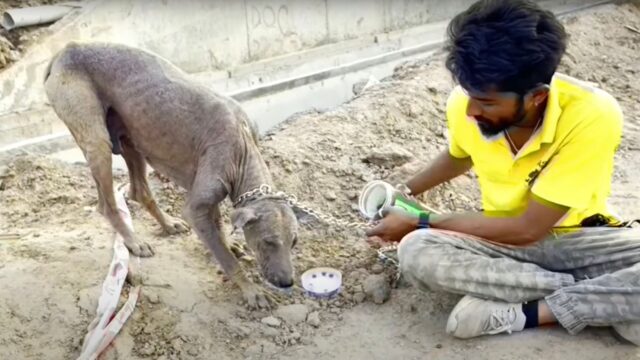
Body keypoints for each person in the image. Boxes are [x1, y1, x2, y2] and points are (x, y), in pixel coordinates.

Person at [365, 0, 640, 344]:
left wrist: (421, 220)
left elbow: (529, 230)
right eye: (468, 95)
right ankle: (608, 300)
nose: (470, 111)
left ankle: (530, 312)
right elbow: (459, 155)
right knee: (417, 251)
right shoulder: (468, 103)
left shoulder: (592, 114)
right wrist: (404, 191)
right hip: (495, 238)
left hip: (582, 240)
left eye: (487, 102)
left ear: (537, 97)